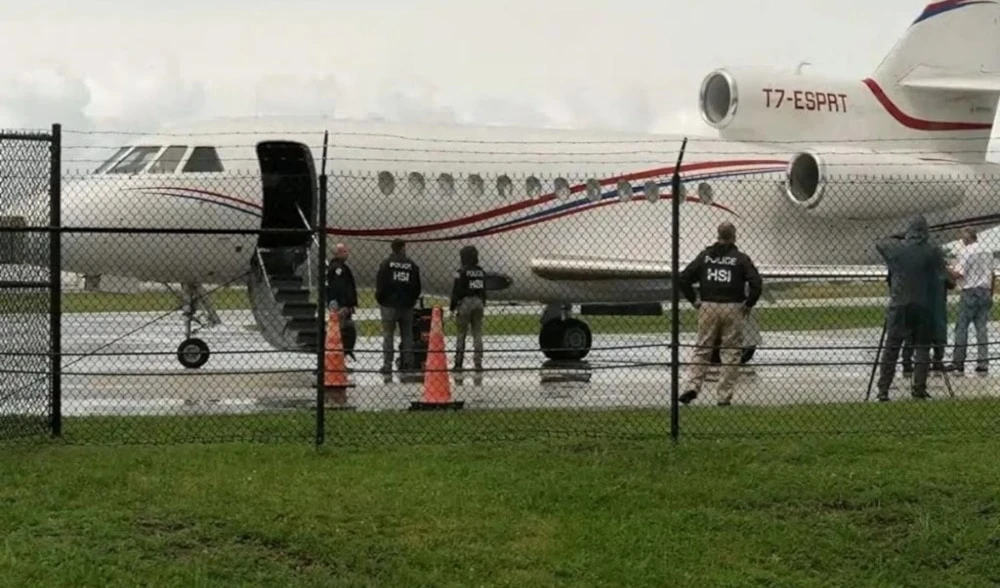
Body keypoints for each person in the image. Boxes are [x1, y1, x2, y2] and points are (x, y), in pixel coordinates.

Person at [677, 222, 763, 406]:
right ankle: (724, 396)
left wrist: (695, 300)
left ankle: (692, 386)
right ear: (734, 237)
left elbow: (684, 278)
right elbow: (756, 283)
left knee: (702, 348)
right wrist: (748, 303)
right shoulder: (740, 259)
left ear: (718, 235)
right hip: (733, 306)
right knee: (731, 352)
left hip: (708, 305)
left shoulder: (706, 257)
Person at [873, 215, 948, 401]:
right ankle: (918, 388)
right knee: (922, 348)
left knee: (892, 348)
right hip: (923, 305)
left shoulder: (897, 250)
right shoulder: (932, 251)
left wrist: (901, 238)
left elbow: (880, 243)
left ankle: (883, 389)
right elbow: (941, 274)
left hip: (900, 304)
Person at [944, 227, 994, 376]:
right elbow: (991, 274)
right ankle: (983, 363)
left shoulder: (966, 251)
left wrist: (945, 267)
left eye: (962, 237)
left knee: (962, 327)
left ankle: (958, 362)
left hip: (970, 291)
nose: (961, 239)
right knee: (981, 328)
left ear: (968, 237)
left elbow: (958, 274)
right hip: (985, 290)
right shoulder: (987, 251)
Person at [374, 238, 422, 374]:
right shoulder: (411, 265)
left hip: (389, 304)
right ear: (403, 248)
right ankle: (408, 363)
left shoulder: (386, 264)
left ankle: (387, 364)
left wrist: (381, 299)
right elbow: (417, 286)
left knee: (388, 335)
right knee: (407, 335)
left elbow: (380, 284)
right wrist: (412, 300)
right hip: (407, 305)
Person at [899, 264, 954, 378]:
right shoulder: (939, 269)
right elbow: (951, 283)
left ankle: (908, 360)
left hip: (921, 304)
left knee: (914, 333)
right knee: (937, 331)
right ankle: (936, 359)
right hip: (935, 305)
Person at [449, 245, 487, 372]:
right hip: (478, 301)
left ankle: (458, 362)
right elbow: (483, 289)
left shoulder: (461, 272)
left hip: (465, 302)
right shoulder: (481, 271)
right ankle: (478, 362)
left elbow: (456, 291)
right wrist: (483, 301)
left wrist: (452, 307)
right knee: (477, 333)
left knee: (461, 333)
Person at [325, 243, 358, 360]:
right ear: (338, 253)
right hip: (340, 304)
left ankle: (342, 356)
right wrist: (344, 304)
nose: (347, 253)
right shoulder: (338, 268)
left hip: (340, 303)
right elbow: (340, 287)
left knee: (347, 329)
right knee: (343, 331)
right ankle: (340, 357)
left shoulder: (338, 267)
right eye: (344, 251)